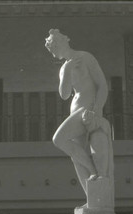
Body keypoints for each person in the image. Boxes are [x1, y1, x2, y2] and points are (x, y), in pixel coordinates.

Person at [45, 29, 113, 198]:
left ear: (62, 43)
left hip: (86, 109)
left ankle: (92, 170)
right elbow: (64, 94)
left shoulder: (85, 57)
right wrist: (67, 70)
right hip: (74, 110)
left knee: (58, 139)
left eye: (53, 47)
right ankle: (91, 198)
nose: (52, 51)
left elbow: (102, 85)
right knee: (76, 156)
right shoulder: (63, 68)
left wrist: (97, 110)